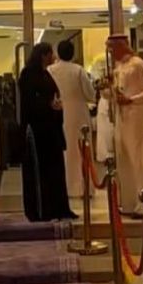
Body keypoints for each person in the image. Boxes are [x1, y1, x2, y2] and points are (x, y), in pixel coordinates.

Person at [18, 41, 74, 221]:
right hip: (38, 130)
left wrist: (56, 106)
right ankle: (42, 210)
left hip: (51, 129)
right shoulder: (28, 74)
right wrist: (48, 106)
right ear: (43, 55)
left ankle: (60, 208)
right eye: (51, 53)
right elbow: (29, 102)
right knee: (41, 170)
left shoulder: (45, 73)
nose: (54, 57)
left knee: (55, 169)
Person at [106, 34, 143, 217]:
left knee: (139, 160)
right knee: (124, 159)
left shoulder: (138, 64)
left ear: (121, 47)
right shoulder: (119, 67)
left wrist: (131, 99)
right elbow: (115, 94)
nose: (111, 53)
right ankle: (128, 203)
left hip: (138, 119)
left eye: (113, 49)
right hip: (123, 118)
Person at [49, 39, 96, 198]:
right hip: (79, 113)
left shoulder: (51, 70)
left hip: (58, 113)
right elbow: (90, 94)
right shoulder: (78, 70)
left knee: (62, 150)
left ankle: (63, 187)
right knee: (81, 150)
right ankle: (83, 187)